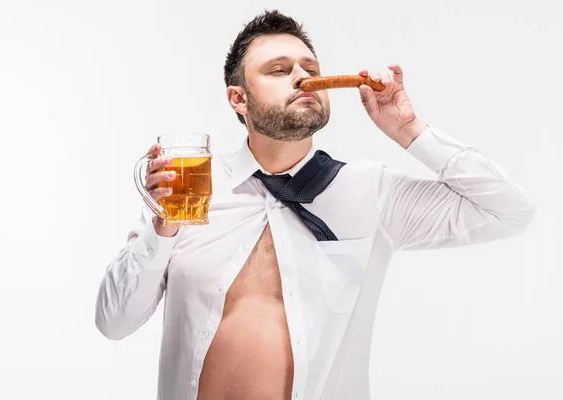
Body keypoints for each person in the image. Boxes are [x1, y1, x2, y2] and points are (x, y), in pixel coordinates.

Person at [94, 9, 537, 400]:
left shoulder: (371, 193)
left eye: (310, 67)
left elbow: (509, 211)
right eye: (279, 69)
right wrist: (162, 227)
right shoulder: (189, 192)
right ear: (238, 98)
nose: (303, 78)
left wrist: (409, 130)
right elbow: (114, 322)